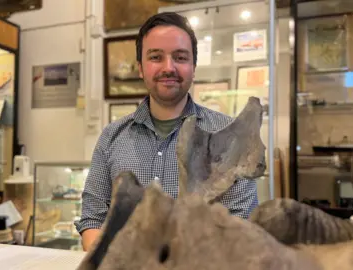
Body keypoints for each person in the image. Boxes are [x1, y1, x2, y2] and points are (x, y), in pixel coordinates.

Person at [74, 11, 259, 251]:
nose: (168, 67)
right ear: (140, 68)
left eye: (180, 57)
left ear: (193, 66)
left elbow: (242, 225)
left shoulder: (231, 137)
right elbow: (92, 219)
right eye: (156, 57)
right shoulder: (111, 137)